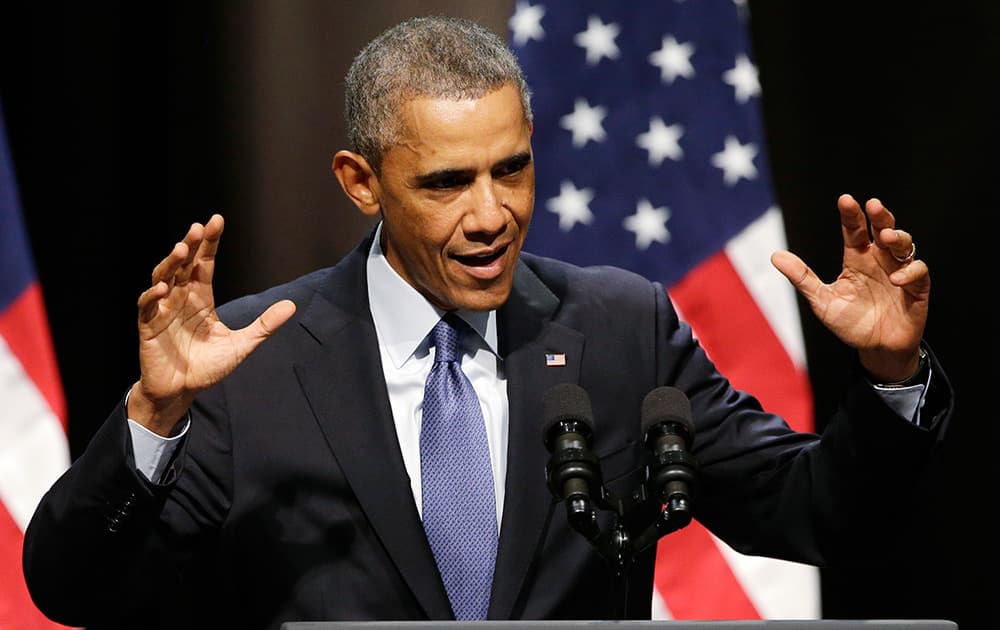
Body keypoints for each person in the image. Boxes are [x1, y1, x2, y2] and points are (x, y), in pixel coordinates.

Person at [22, 15, 951, 630]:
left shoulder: (620, 326)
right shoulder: (253, 358)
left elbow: (819, 515)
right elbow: (72, 589)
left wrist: (890, 379)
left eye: (510, 169)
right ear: (360, 182)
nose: (491, 213)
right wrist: (152, 416)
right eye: (445, 182)